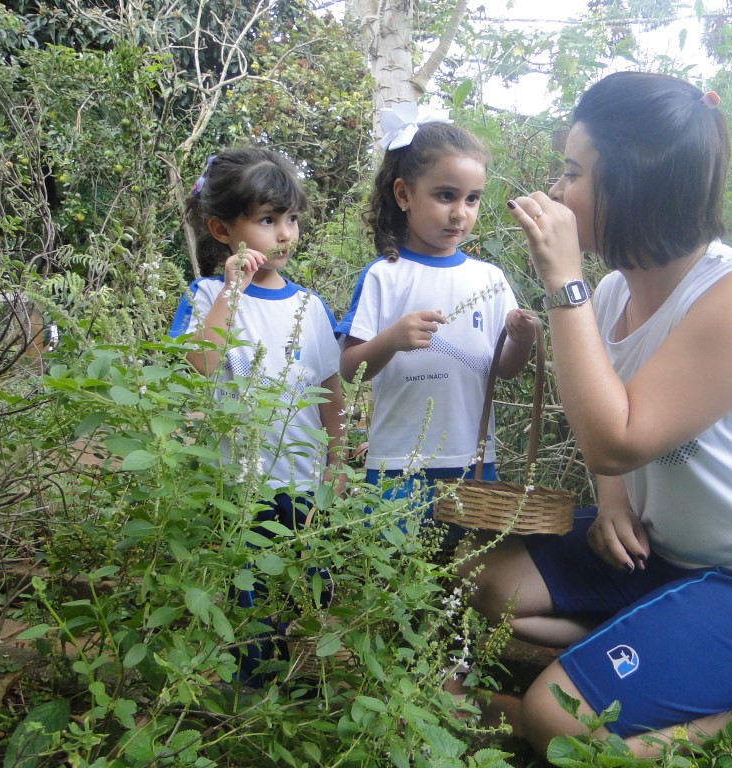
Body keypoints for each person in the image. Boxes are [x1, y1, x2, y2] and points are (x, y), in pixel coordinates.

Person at [461, 71, 732, 757]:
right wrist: (613, 499)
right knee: (489, 588)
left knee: (560, 722)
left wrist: (564, 283)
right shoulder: (617, 291)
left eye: (572, 173)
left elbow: (617, 437)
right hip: (668, 553)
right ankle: (666, 645)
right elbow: (615, 425)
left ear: (633, 185)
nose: (556, 193)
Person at [169, 146, 345, 684]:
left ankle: (292, 688)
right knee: (245, 596)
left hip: (303, 483)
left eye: (290, 219)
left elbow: (329, 388)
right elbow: (197, 365)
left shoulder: (309, 307)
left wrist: (337, 460)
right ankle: (246, 694)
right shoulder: (205, 296)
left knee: (300, 588)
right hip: (236, 486)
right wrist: (230, 290)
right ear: (223, 231)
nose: (285, 233)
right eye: (267, 221)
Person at [336, 102, 536, 533]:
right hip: (397, 464)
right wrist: (391, 339)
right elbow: (350, 370)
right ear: (404, 194)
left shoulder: (489, 278)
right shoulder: (384, 276)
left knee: (470, 576)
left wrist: (520, 338)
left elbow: (505, 369)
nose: (460, 212)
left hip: (474, 461)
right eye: (445, 195)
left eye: (472, 199)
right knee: (393, 577)